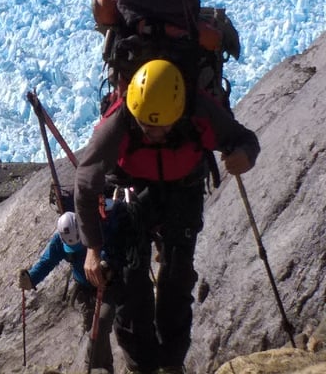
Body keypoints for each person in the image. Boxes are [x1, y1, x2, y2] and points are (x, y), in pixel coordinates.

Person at [74, 59, 260, 374]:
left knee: (176, 280)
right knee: (132, 286)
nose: (154, 132)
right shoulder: (121, 120)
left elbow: (245, 139)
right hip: (131, 193)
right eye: (146, 124)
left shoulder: (197, 109)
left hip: (182, 191)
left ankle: (172, 364)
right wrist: (92, 248)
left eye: (162, 125)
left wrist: (244, 156)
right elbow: (85, 183)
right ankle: (141, 366)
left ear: (178, 112)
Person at [18, 211, 117, 374]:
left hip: (108, 287)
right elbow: (47, 261)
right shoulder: (59, 240)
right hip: (85, 291)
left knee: (98, 328)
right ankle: (106, 369)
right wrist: (31, 279)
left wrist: (108, 265)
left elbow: (116, 249)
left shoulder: (97, 230)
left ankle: (93, 368)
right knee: (94, 333)